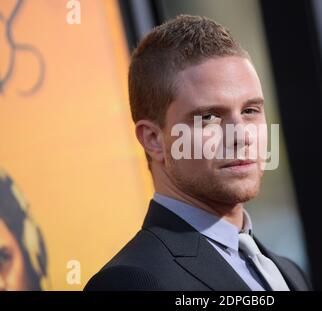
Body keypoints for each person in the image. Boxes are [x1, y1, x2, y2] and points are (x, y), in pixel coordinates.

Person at [85, 15, 310, 291]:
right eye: (209, 117)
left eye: (250, 111)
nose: (241, 136)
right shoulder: (132, 281)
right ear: (154, 139)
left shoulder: (288, 272)